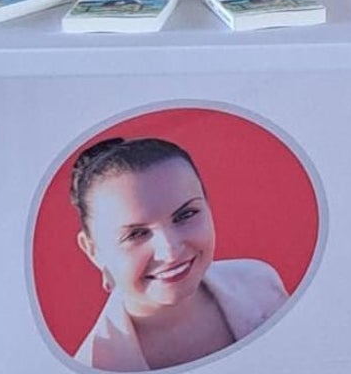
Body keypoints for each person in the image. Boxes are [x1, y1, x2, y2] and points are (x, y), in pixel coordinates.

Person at [69, 137, 287, 372]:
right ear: (92, 250)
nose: (170, 250)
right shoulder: (93, 366)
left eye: (185, 215)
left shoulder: (261, 285)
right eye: (136, 234)